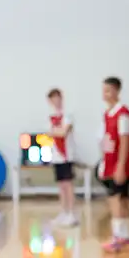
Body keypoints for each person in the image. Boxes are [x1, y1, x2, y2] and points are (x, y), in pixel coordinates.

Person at [98, 77, 129, 253]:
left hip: (120, 164)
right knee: (121, 199)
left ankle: (118, 236)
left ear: (116, 91)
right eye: (103, 90)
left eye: (108, 90)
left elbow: (125, 141)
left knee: (115, 199)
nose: (104, 93)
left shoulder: (123, 114)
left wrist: (121, 166)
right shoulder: (108, 114)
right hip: (110, 162)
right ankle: (125, 236)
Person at [46, 88, 78, 227]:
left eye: (57, 97)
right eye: (53, 98)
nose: (56, 100)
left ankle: (72, 213)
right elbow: (50, 133)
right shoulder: (50, 117)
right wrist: (55, 132)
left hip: (66, 155)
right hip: (56, 155)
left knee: (68, 184)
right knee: (61, 185)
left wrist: (55, 132)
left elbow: (63, 132)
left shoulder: (68, 115)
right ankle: (63, 212)